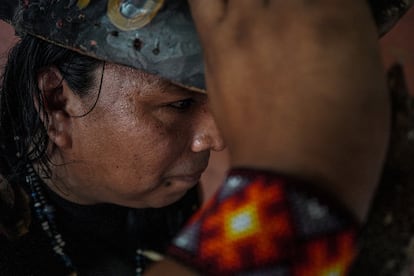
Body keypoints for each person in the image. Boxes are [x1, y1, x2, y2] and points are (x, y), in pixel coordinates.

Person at [0, 1, 411, 276]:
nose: (217, 139)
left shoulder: (154, 199)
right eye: (179, 105)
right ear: (56, 100)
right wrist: (298, 194)